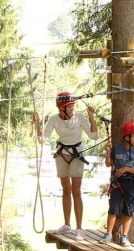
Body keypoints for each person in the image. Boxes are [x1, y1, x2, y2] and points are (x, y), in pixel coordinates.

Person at [34, 92, 98, 240]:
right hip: (62, 154)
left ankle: (79, 228)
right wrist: (37, 123)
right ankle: (67, 224)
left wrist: (91, 116)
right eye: (69, 107)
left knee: (76, 191)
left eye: (73, 106)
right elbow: (42, 139)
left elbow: (94, 136)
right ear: (61, 108)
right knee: (65, 190)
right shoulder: (54, 119)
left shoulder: (79, 117)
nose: (72, 109)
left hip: (77, 154)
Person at [105, 121, 134, 246]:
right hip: (118, 182)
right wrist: (108, 151)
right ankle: (108, 234)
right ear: (127, 137)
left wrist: (126, 169)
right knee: (114, 207)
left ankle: (124, 236)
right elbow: (108, 164)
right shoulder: (117, 149)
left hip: (131, 183)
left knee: (129, 209)